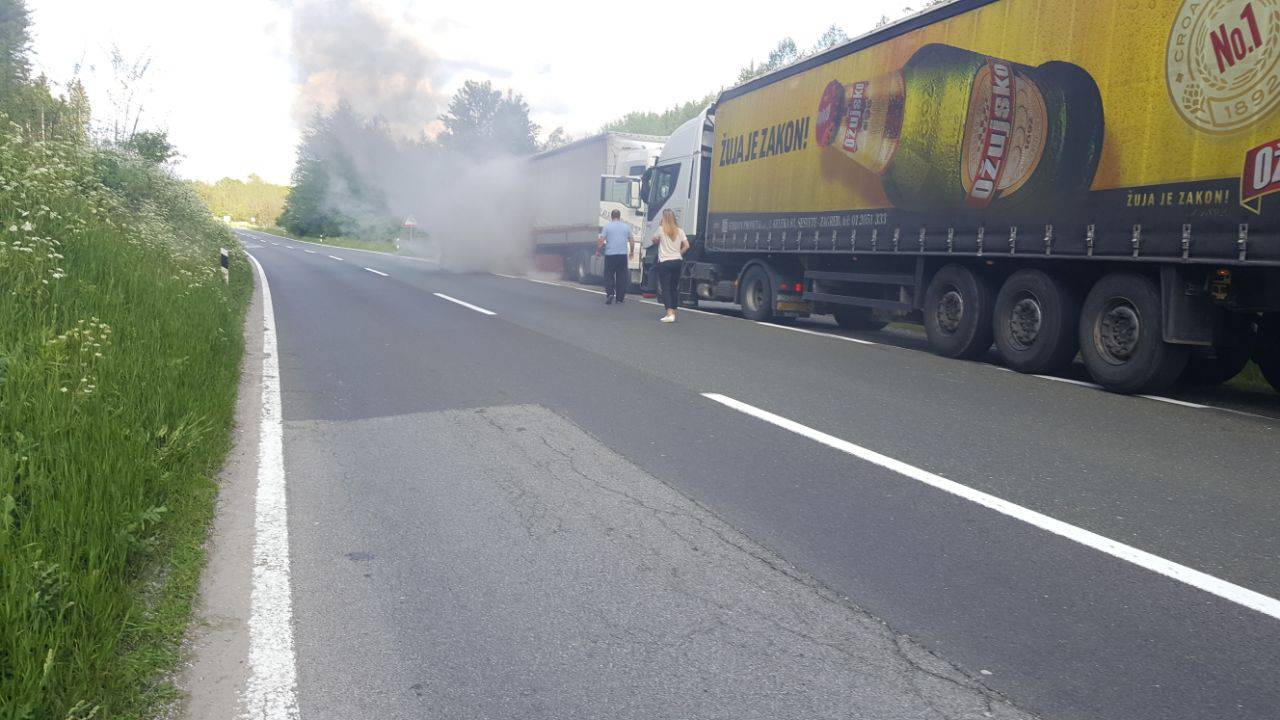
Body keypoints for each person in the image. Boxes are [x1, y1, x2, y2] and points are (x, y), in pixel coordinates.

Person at [651, 208, 689, 323]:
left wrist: (659, 226)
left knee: (665, 288)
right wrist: (678, 253)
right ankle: (673, 310)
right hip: (677, 261)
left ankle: (669, 313)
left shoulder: (661, 229)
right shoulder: (680, 231)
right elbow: (687, 246)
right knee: (673, 287)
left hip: (665, 262)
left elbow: (653, 241)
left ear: (664, 218)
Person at [596, 210, 632, 305]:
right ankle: (620, 298)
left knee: (609, 275)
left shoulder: (607, 227)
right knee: (621, 276)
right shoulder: (626, 227)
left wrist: (598, 251)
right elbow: (631, 240)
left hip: (610, 255)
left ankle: (610, 293)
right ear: (619, 216)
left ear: (612, 216)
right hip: (622, 255)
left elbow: (601, 240)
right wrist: (632, 252)